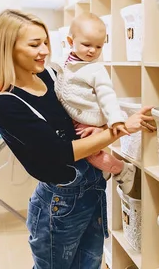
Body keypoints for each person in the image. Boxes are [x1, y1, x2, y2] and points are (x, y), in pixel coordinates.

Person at [0, 9, 156, 269]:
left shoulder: (51, 76)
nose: (44, 50)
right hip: (61, 202)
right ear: (8, 48)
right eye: (34, 44)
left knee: (90, 264)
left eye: (45, 42)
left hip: (93, 187)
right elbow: (62, 152)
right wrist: (120, 129)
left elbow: (85, 115)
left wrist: (101, 128)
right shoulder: (6, 103)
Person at [51, 13, 136, 194]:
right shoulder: (65, 62)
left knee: (90, 154)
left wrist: (115, 120)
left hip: (87, 119)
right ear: (70, 41)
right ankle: (105, 167)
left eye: (98, 46)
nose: (92, 51)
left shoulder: (96, 69)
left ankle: (121, 169)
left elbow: (107, 95)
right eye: (87, 45)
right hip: (72, 115)